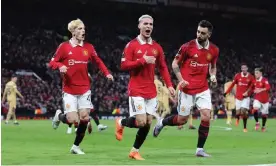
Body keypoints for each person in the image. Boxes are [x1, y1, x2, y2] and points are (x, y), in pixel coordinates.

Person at [153, 20, 219, 157]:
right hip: (187, 90)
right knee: (181, 119)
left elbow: (213, 66)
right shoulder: (187, 47)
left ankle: (199, 149)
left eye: (203, 33)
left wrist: (212, 76)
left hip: (203, 89)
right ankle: (162, 122)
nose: (199, 35)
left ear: (209, 35)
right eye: (198, 32)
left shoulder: (214, 50)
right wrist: (181, 79)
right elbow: (175, 63)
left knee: (206, 117)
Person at [115, 14, 175, 160]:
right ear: (139, 26)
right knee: (140, 121)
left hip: (151, 91)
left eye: (151, 24)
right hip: (136, 89)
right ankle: (120, 122)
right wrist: (142, 60)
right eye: (145, 24)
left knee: (147, 122)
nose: (148, 26)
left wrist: (170, 85)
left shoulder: (157, 47)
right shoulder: (131, 45)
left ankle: (134, 151)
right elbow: (123, 65)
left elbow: (163, 67)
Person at [49, 19, 113, 154]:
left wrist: (107, 73)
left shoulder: (89, 47)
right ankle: (58, 115)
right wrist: (60, 66)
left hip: (84, 89)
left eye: (83, 29)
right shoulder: (64, 47)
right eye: (79, 29)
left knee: (84, 118)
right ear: (72, 32)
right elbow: (52, 62)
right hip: (69, 89)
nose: (83, 31)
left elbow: (98, 61)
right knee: (72, 119)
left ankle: (75, 146)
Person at [224, 64, 254, 132]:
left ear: (247, 68)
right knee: (238, 113)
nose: (243, 69)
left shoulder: (251, 77)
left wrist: (247, 92)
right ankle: (237, 119)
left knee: (243, 111)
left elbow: (252, 86)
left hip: (246, 98)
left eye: (244, 68)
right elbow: (232, 84)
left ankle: (245, 127)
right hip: (238, 97)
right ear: (241, 69)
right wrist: (226, 92)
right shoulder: (237, 75)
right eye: (242, 68)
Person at [251, 68, 270, 132]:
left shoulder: (264, 80)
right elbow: (252, 88)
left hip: (265, 100)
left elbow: (268, 87)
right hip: (257, 98)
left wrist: (260, 90)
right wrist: (254, 90)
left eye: (257, 73)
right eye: (255, 73)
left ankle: (263, 126)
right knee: (255, 109)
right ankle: (257, 123)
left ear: (261, 73)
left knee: (264, 114)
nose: (255, 74)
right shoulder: (254, 80)